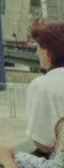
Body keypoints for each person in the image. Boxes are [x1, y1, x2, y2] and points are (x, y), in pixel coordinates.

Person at [26, 22, 64, 154]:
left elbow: (43, 143)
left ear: (48, 52)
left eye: (38, 47)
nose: (36, 52)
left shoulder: (42, 85)